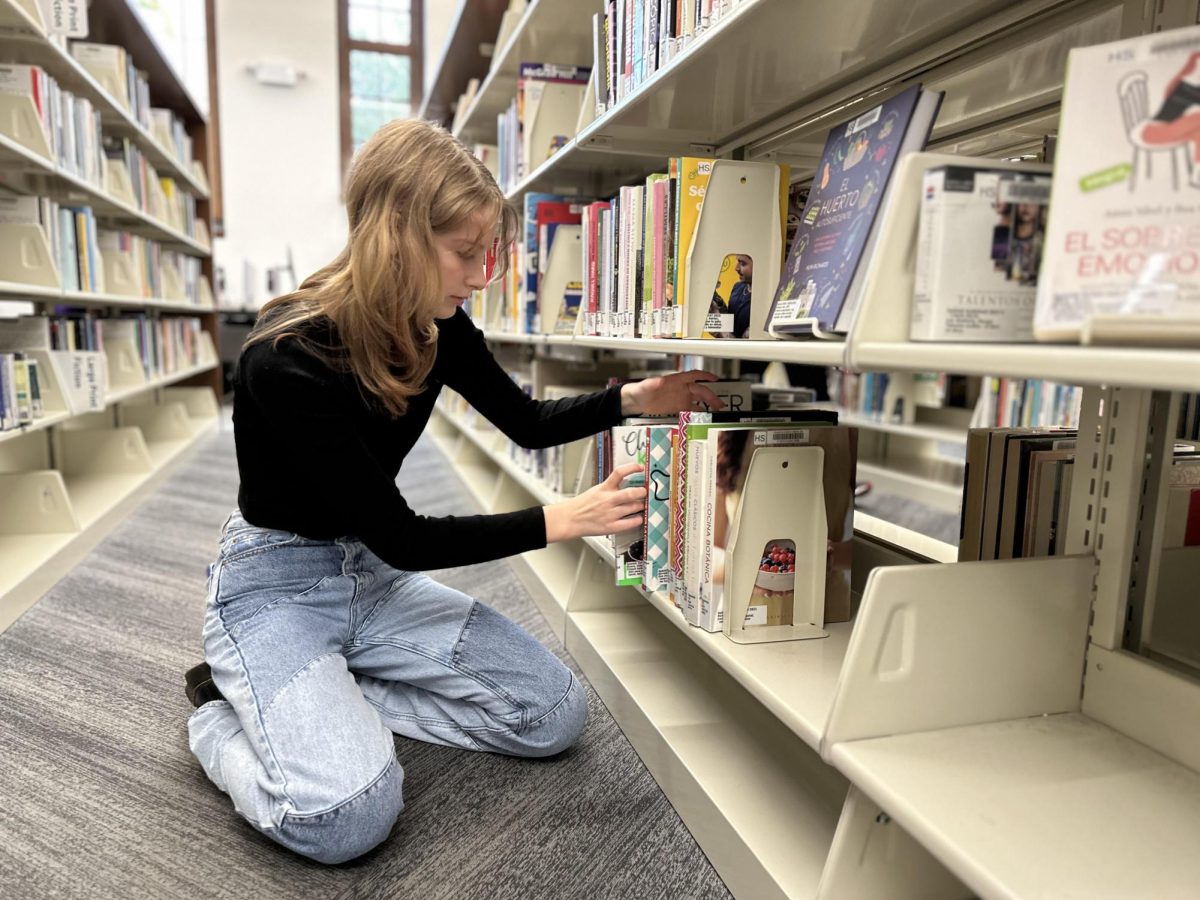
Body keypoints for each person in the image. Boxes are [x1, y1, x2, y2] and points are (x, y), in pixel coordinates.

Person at [184, 118, 722, 865]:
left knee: (553, 714)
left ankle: (326, 699)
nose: (479, 276)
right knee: (347, 818)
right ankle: (220, 716)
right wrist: (566, 518)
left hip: (368, 578)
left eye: (486, 254)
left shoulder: (435, 327)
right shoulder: (285, 356)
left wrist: (630, 398)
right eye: (466, 254)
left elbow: (526, 423)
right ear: (395, 236)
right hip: (276, 585)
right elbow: (403, 537)